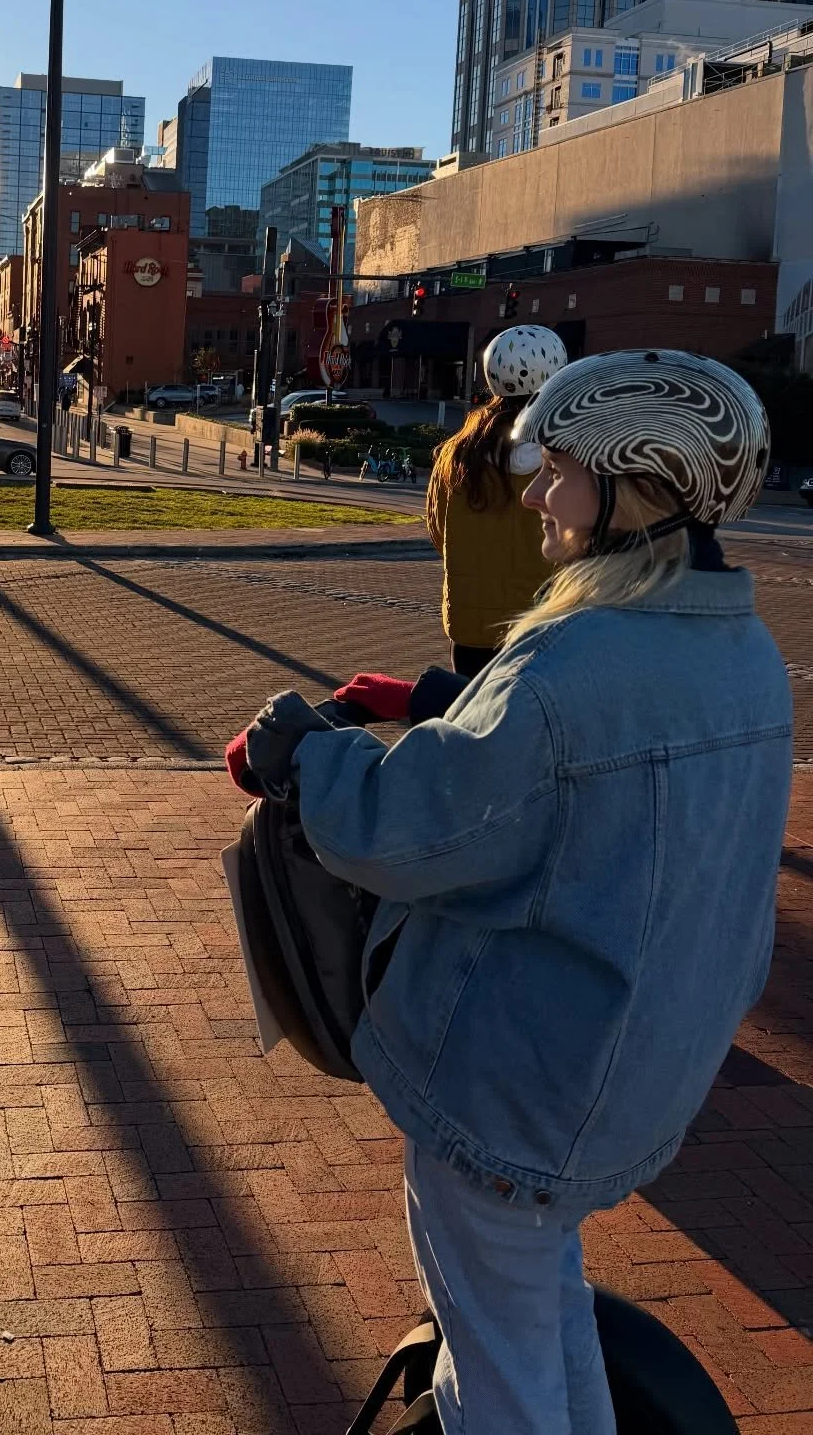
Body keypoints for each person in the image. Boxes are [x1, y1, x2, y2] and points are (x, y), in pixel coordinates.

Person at [244, 350, 790, 1434]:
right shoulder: (746, 649)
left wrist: (300, 759)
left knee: (494, 1376)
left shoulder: (574, 661)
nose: (538, 488)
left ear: (639, 482)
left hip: (521, 1088)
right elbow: (597, 768)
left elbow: (413, 828)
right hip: (639, 1064)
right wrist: (451, 695)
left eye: (563, 467)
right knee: (541, 1314)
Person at [425, 325, 568, 675]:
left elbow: (438, 531)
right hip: (545, 622)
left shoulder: (456, 454)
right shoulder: (570, 457)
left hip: (471, 624)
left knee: (473, 719)